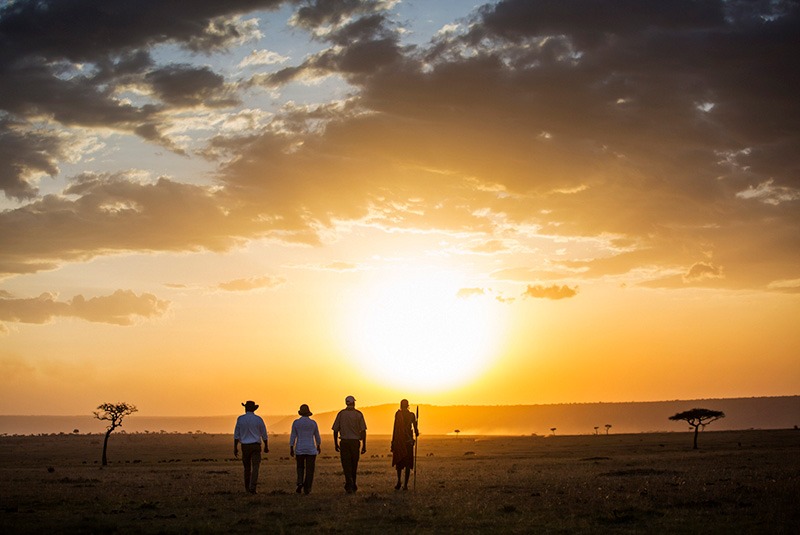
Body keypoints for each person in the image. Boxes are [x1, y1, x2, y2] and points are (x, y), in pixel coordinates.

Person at [332, 395, 367, 493]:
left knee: (346, 464)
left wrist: (336, 444)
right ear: (354, 403)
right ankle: (353, 483)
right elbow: (363, 431)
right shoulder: (359, 414)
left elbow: (335, 430)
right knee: (354, 464)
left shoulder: (341, 414)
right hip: (355, 443)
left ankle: (349, 483)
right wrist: (364, 445)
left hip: (344, 442)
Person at [233, 400, 269, 494]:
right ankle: (252, 487)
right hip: (256, 446)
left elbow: (237, 434)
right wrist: (266, 445)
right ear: (254, 409)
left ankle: (247, 488)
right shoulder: (258, 419)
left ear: (245, 408)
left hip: (245, 446)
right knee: (256, 467)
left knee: (247, 468)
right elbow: (264, 434)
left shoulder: (240, 419)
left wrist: (235, 447)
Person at [289, 403, 321, 495]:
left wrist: (291, 447)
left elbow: (293, 436)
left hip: (299, 448)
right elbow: (317, 436)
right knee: (310, 469)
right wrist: (318, 445)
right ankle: (307, 488)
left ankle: (299, 482)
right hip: (311, 449)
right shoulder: (313, 423)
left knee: (300, 467)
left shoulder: (296, 423)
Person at [391, 399, 419, 490]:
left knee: (399, 463)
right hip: (408, 442)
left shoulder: (398, 414)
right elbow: (416, 430)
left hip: (399, 441)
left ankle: (399, 481)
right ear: (408, 405)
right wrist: (417, 432)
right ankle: (405, 485)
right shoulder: (412, 415)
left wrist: (393, 442)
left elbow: (395, 429)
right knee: (407, 464)